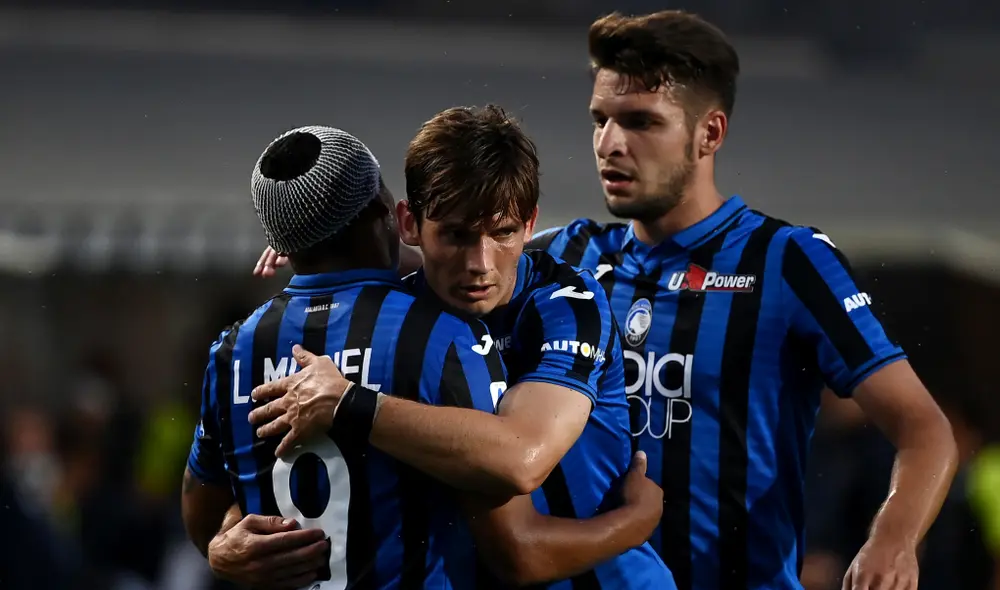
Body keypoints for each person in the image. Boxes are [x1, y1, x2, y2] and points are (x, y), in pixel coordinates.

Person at [523, 10, 956, 590]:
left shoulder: (787, 261)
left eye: (641, 122)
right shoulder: (567, 256)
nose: (610, 143)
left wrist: (892, 539)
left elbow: (924, 429)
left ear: (710, 133)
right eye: (599, 120)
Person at [182, 125, 665, 589]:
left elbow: (522, 458)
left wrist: (351, 400)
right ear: (407, 224)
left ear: (528, 225)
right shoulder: (423, 328)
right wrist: (223, 543)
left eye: (504, 233)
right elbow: (516, 551)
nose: (480, 264)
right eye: (454, 236)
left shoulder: (565, 300)